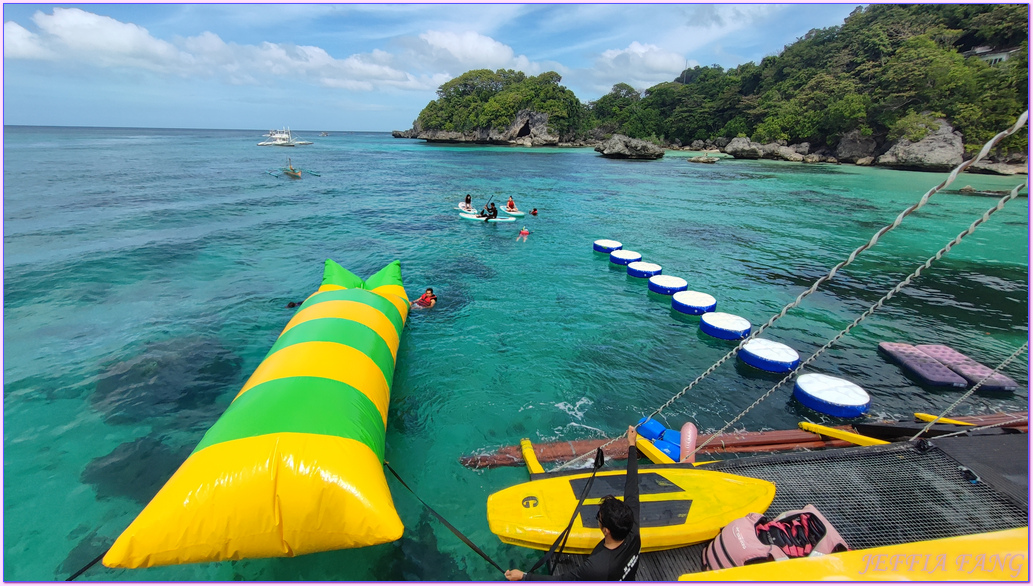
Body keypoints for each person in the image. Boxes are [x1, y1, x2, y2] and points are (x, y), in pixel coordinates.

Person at [506, 426, 640, 581]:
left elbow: (561, 580)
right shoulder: (632, 529)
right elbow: (632, 487)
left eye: (599, 517)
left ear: (606, 531)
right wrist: (631, 444)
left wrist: (523, 576)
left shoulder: (597, 567)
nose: (597, 518)